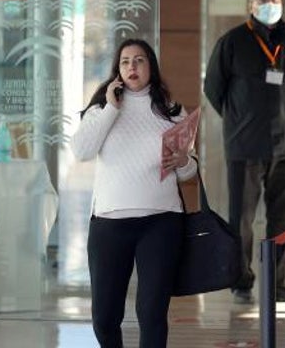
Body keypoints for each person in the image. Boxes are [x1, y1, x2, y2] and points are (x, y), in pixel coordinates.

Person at [70, 39, 197, 348]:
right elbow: (82, 151)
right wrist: (112, 109)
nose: (132, 67)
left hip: (161, 222)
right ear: (117, 69)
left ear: (150, 66)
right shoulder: (101, 109)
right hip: (109, 223)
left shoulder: (172, 111)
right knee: (104, 316)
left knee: (152, 313)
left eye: (139, 60)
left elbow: (187, 172)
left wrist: (186, 161)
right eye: (125, 61)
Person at [203, 0, 285, 304]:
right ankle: (241, 280)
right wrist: (239, 118)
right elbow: (213, 88)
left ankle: (277, 284)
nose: (270, 3)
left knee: (282, 218)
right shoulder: (233, 42)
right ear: (251, 5)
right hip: (245, 145)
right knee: (242, 219)